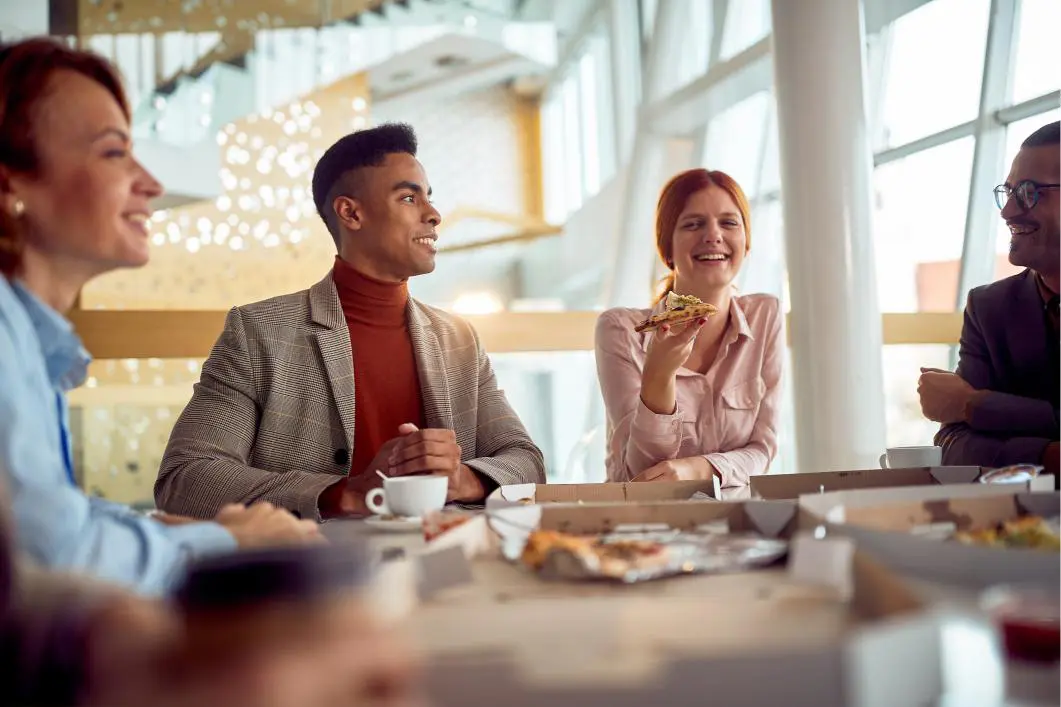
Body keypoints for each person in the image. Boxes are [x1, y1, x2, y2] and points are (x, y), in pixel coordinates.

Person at [0, 38, 320, 596]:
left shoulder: (29, 340)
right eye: (113, 152)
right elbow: (47, 557)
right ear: (9, 185)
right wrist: (229, 541)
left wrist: (161, 531)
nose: (151, 184)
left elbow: (57, 516)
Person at [155, 122, 546, 519]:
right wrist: (344, 493)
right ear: (351, 213)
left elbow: (526, 460)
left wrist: (463, 479)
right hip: (314, 572)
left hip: (448, 567)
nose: (434, 214)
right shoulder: (258, 333)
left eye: (428, 197)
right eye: (409, 198)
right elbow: (185, 479)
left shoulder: (459, 338)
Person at [595, 168, 784, 485]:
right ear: (666, 248)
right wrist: (660, 373)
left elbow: (763, 450)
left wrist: (700, 469)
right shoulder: (622, 330)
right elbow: (639, 471)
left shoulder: (765, 315)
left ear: (746, 242)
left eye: (729, 222)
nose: (713, 235)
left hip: (733, 519)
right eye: (693, 224)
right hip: (643, 522)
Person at [920, 121, 1060, 481]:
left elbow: (969, 431)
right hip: (1015, 531)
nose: (1008, 212)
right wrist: (1048, 454)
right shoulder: (989, 308)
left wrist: (975, 404)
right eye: (1009, 191)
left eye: (1029, 192)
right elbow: (953, 447)